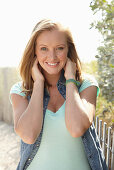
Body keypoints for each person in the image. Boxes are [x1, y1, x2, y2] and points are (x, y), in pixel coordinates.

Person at [10, 19, 107, 170]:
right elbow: (28, 135)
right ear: (34, 51)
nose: (52, 57)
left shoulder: (86, 86)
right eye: (44, 49)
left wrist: (70, 80)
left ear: (69, 50)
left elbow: (76, 128)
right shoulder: (20, 91)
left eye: (59, 48)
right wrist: (38, 84)